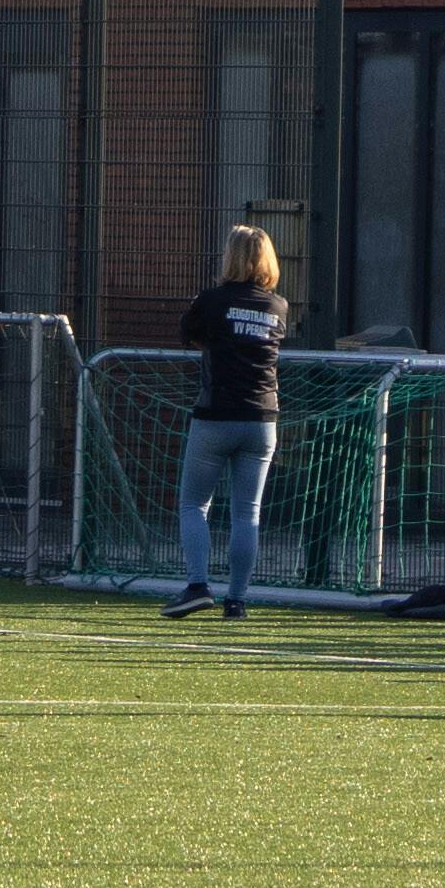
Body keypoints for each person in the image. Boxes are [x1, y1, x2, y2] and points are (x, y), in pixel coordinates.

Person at [170, 222, 286, 617]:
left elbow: (189, 334)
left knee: (193, 504)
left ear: (229, 258)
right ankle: (236, 600)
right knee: (247, 513)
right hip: (262, 419)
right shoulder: (278, 306)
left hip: (216, 416)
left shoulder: (212, 301)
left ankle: (197, 585)